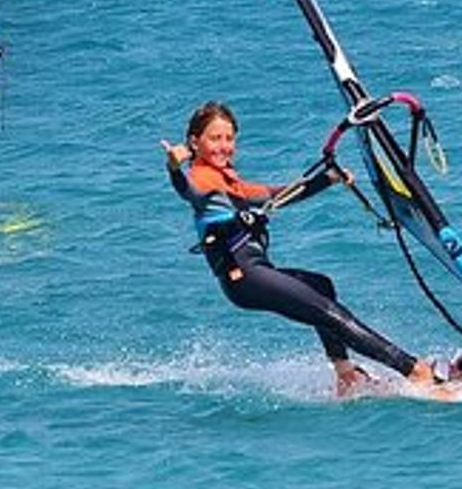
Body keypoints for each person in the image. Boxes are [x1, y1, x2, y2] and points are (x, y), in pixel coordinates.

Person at [163, 100, 441, 398]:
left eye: (229, 138)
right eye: (215, 138)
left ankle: (345, 375)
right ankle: (413, 370)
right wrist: (174, 166)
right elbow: (186, 189)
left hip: (254, 272)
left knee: (321, 286)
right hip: (243, 275)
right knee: (327, 312)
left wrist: (326, 179)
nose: (224, 146)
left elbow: (277, 195)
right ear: (195, 142)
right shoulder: (200, 178)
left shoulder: (231, 183)